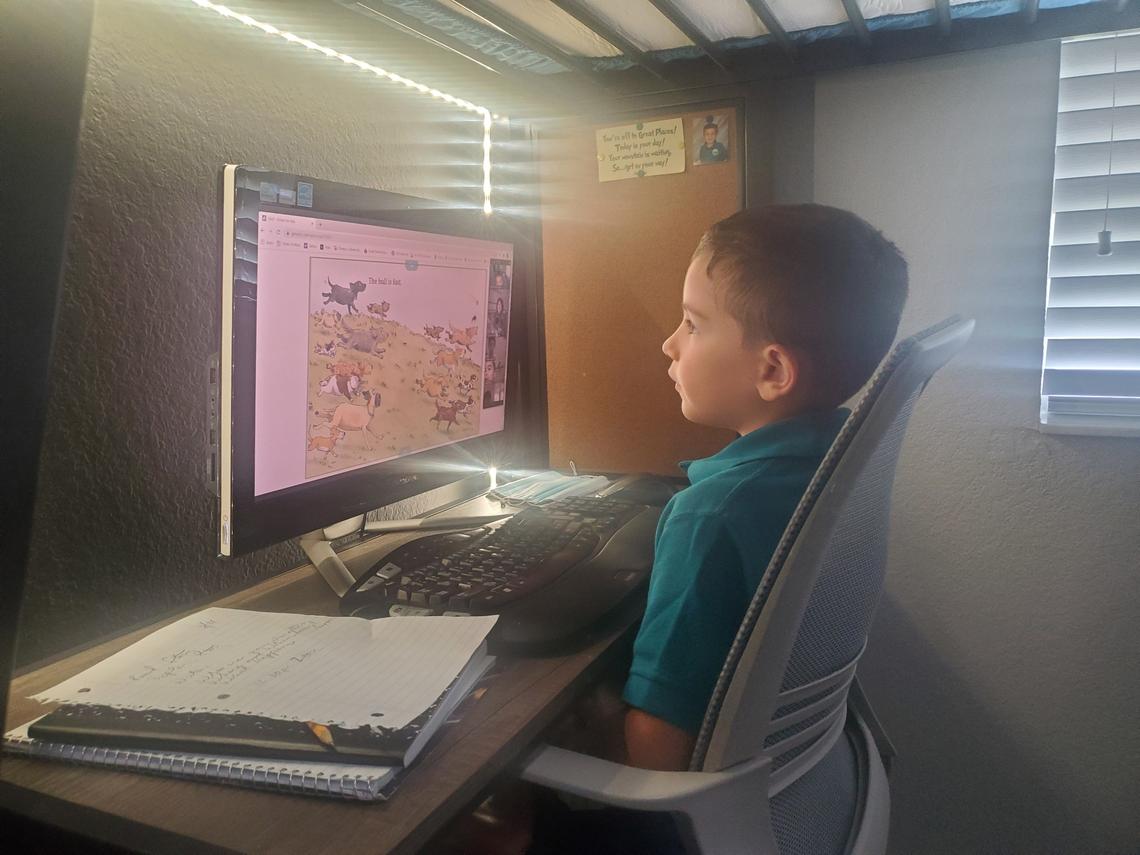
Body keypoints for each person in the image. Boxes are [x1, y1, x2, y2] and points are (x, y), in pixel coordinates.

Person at [427, 204, 909, 854]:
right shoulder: (837, 460)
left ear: (772, 370)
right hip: (800, 791)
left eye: (692, 322)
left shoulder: (710, 516)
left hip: (672, 830)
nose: (669, 343)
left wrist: (571, 724)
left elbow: (655, 757)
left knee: (460, 786)